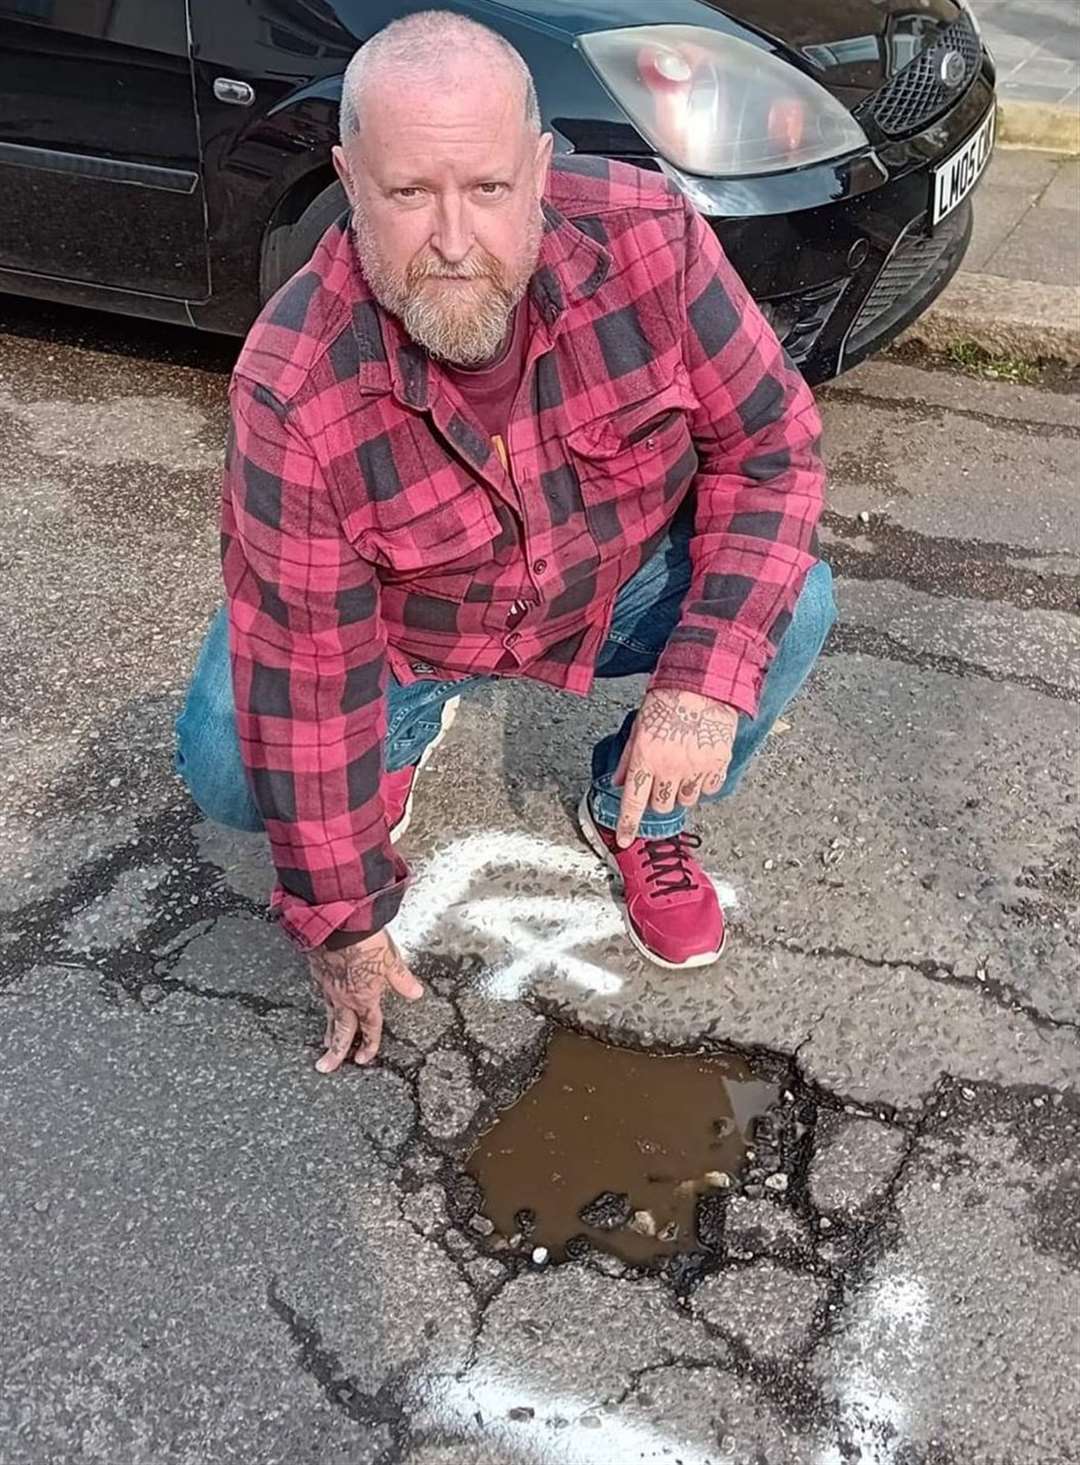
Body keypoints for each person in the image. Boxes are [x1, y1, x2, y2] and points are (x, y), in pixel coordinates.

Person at [175, 10, 834, 1075]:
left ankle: (637, 811)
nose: (450, 239)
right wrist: (340, 917)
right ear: (349, 179)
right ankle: (395, 739)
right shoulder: (293, 383)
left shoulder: (651, 239)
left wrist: (700, 685)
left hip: (601, 586)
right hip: (399, 634)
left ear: (538, 166)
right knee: (232, 759)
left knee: (792, 600)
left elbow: (772, 447)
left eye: (486, 188)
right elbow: (306, 667)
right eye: (407, 193)